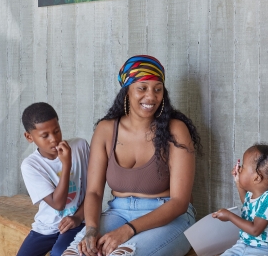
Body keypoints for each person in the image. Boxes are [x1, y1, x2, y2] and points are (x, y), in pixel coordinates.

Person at [63, 55, 203, 256]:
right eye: (142, 88)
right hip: (117, 212)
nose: (151, 96)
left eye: (158, 89)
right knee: (74, 254)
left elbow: (180, 202)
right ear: (127, 91)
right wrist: (92, 229)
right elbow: (93, 192)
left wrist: (127, 231)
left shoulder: (176, 130)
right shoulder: (106, 130)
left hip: (170, 215)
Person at [17, 102, 90, 256]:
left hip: (78, 222)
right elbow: (58, 204)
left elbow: (94, 189)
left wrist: (78, 216)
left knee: (59, 253)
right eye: (45, 135)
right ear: (29, 137)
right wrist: (66, 165)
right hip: (46, 227)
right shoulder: (30, 165)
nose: (54, 139)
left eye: (57, 131)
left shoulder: (80, 146)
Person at [212, 144, 268, 256]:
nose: (239, 168)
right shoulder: (253, 194)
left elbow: (255, 230)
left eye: (243, 167)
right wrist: (238, 181)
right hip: (244, 244)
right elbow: (247, 202)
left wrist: (229, 216)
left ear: (257, 178)